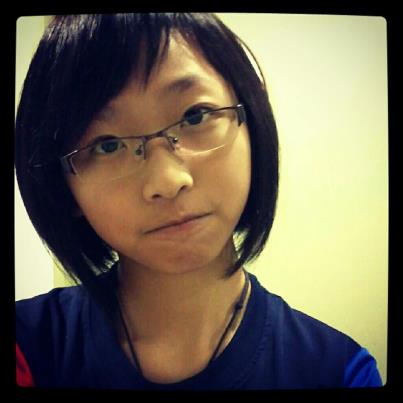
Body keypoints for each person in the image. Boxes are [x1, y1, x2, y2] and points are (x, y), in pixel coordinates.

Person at [15, 13, 382, 390]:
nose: (167, 181)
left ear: (250, 124)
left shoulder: (337, 372)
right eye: (107, 145)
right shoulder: (28, 350)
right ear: (64, 187)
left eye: (195, 116)